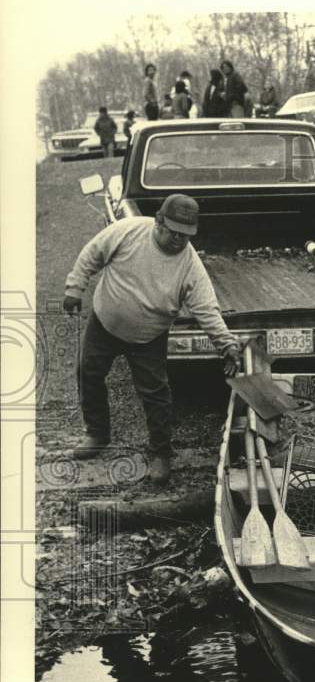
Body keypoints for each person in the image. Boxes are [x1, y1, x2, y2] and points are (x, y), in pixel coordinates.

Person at [62, 194, 243, 486]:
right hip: (104, 323)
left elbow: (207, 309)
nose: (178, 240)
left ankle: (161, 453)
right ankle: (97, 433)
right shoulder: (129, 231)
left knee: (156, 394)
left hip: (148, 337)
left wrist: (227, 345)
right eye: (173, 231)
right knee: (88, 373)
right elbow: (92, 253)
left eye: (185, 235)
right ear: (158, 220)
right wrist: (74, 287)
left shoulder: (190, 266)